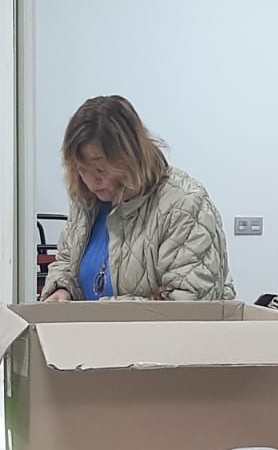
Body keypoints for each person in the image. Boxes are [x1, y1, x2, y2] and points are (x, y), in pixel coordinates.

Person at [42, 96, 235, 302]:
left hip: (161, 335)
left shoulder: (185, 205)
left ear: (131, 158)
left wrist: (97, 313)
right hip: (96, 334)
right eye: (82, 170)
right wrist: (62, 288)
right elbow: (66, 259)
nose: (92, 182)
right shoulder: (86, 203)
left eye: (101, 170)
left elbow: (191, 304)